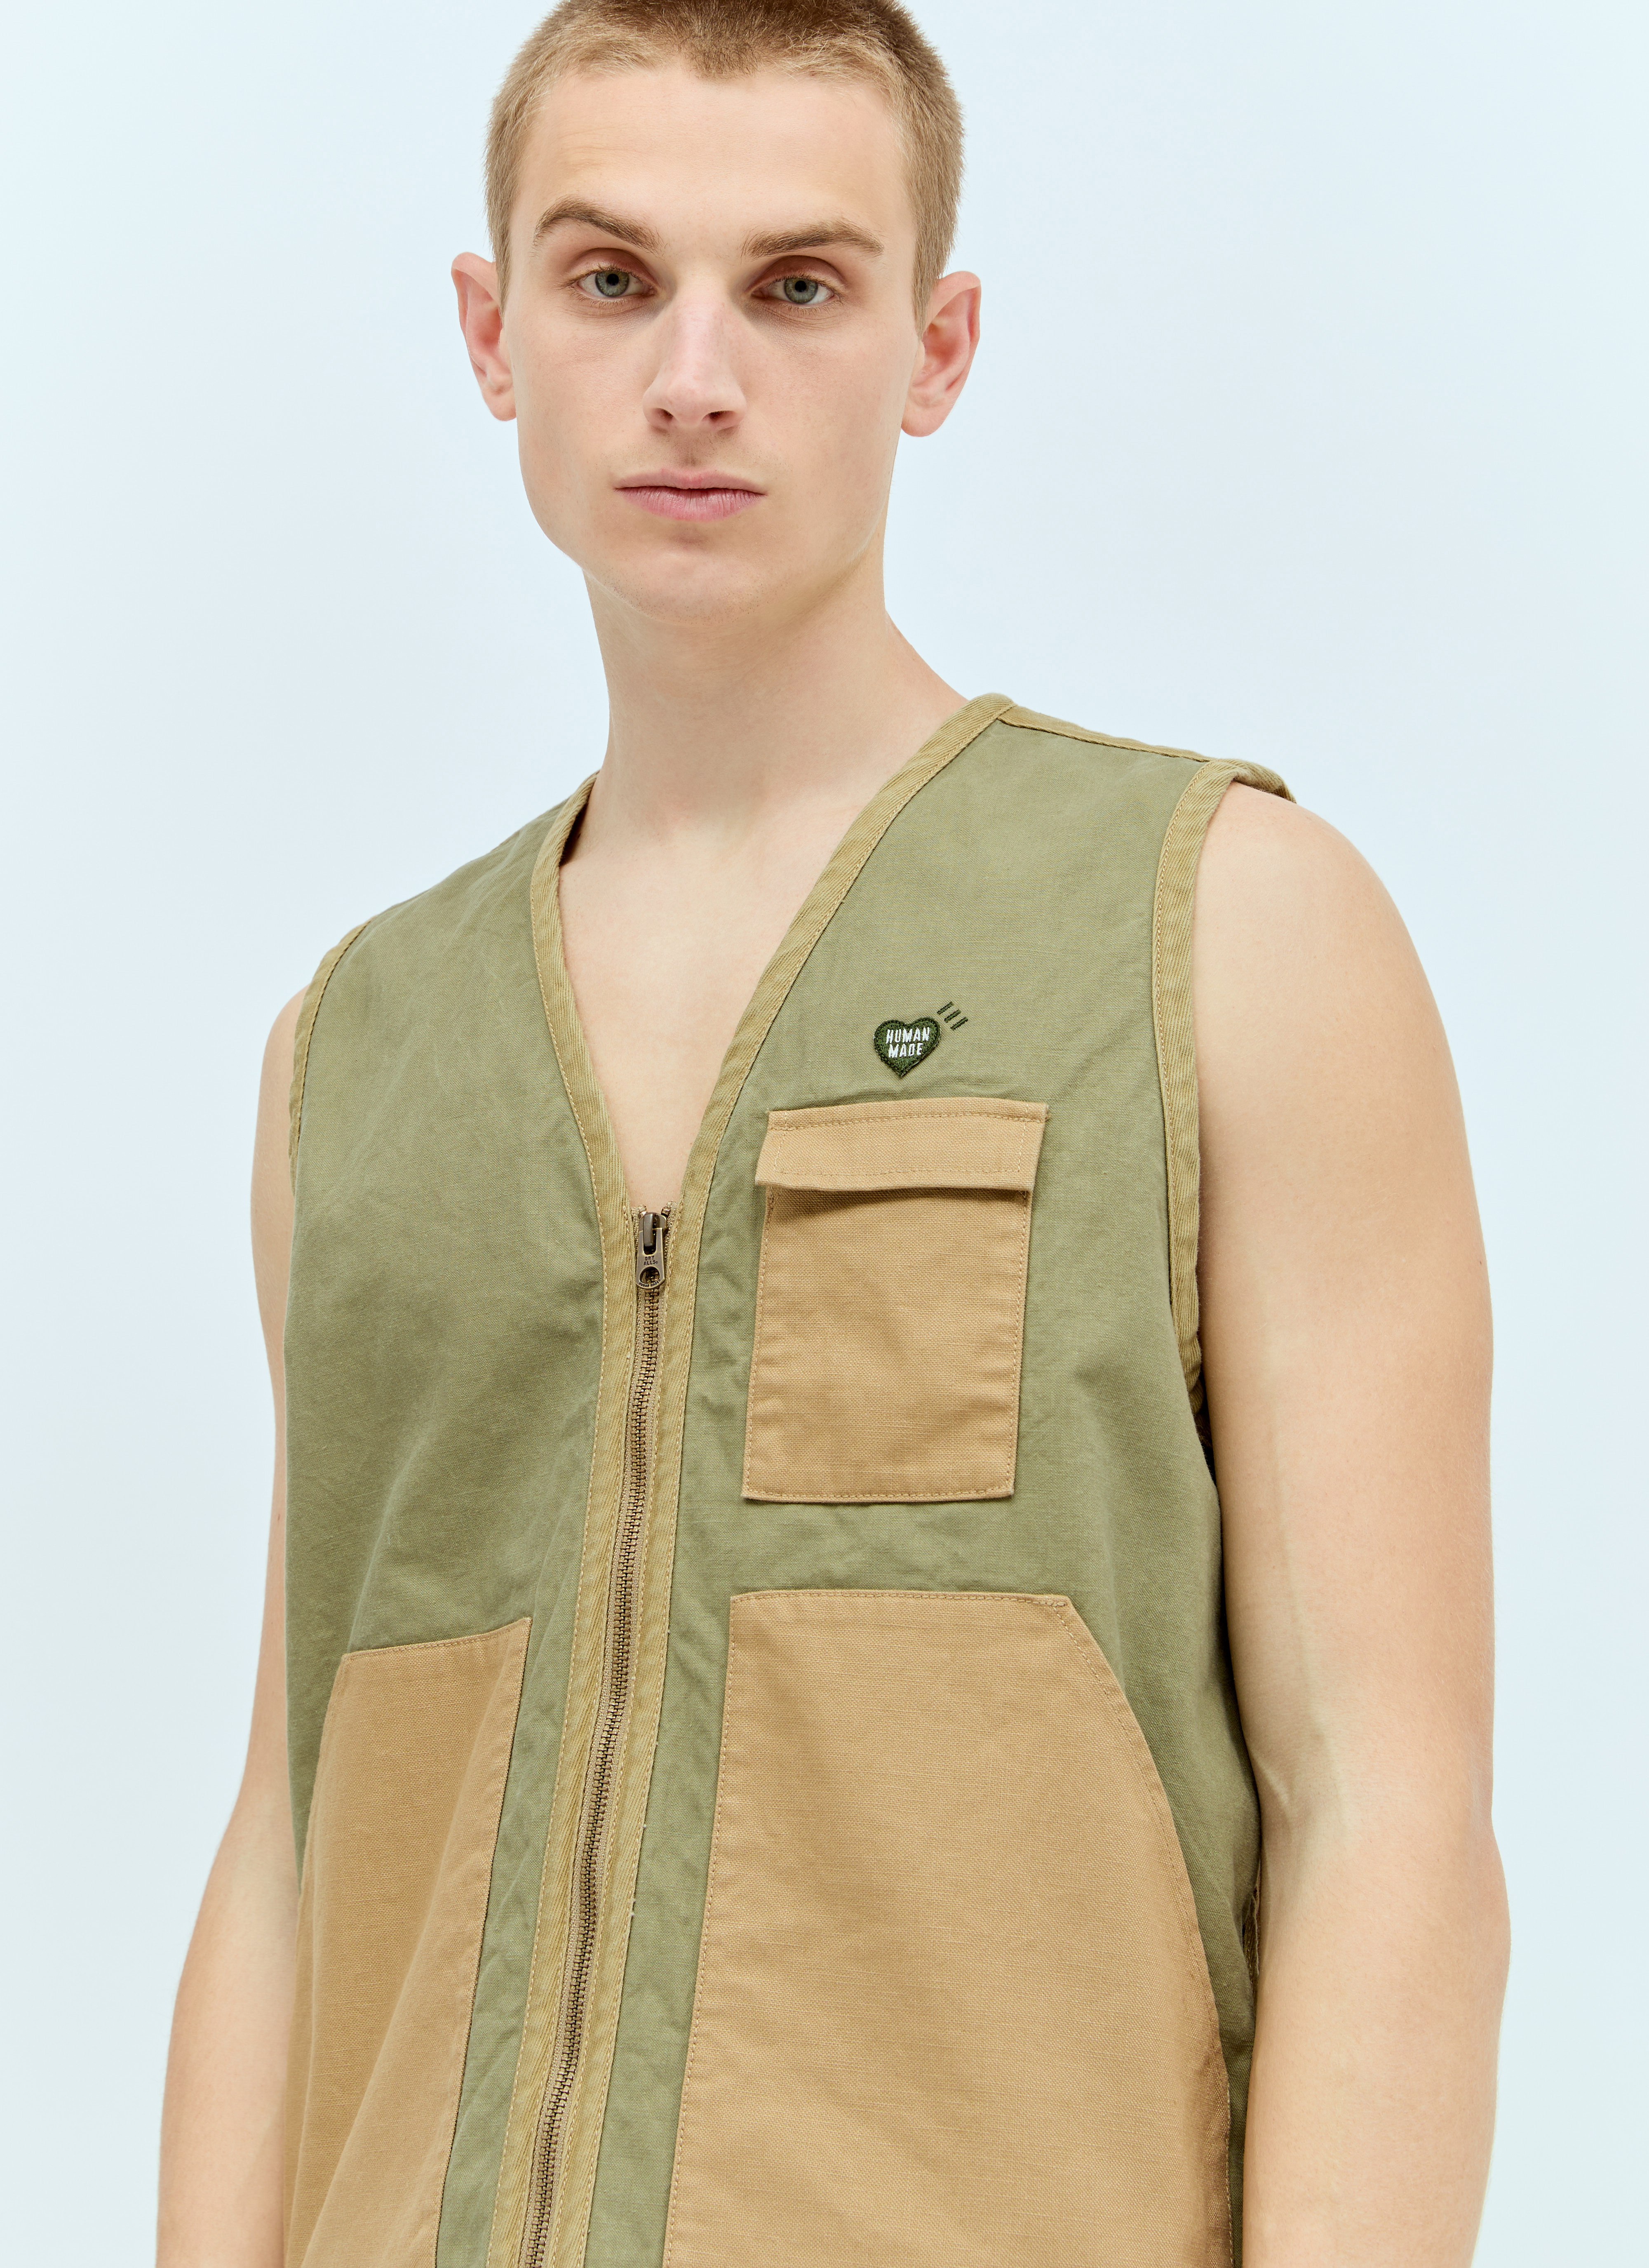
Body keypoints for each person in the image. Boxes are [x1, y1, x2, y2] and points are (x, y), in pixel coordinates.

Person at [157, 4, 1509, 2263]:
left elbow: (1387, 1806)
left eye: (797, 286)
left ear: (933, 349)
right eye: (612, 279)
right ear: (493, 336)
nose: (695, 376)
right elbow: (294, 1841)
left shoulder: (1225, 930)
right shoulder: (356, 1050)